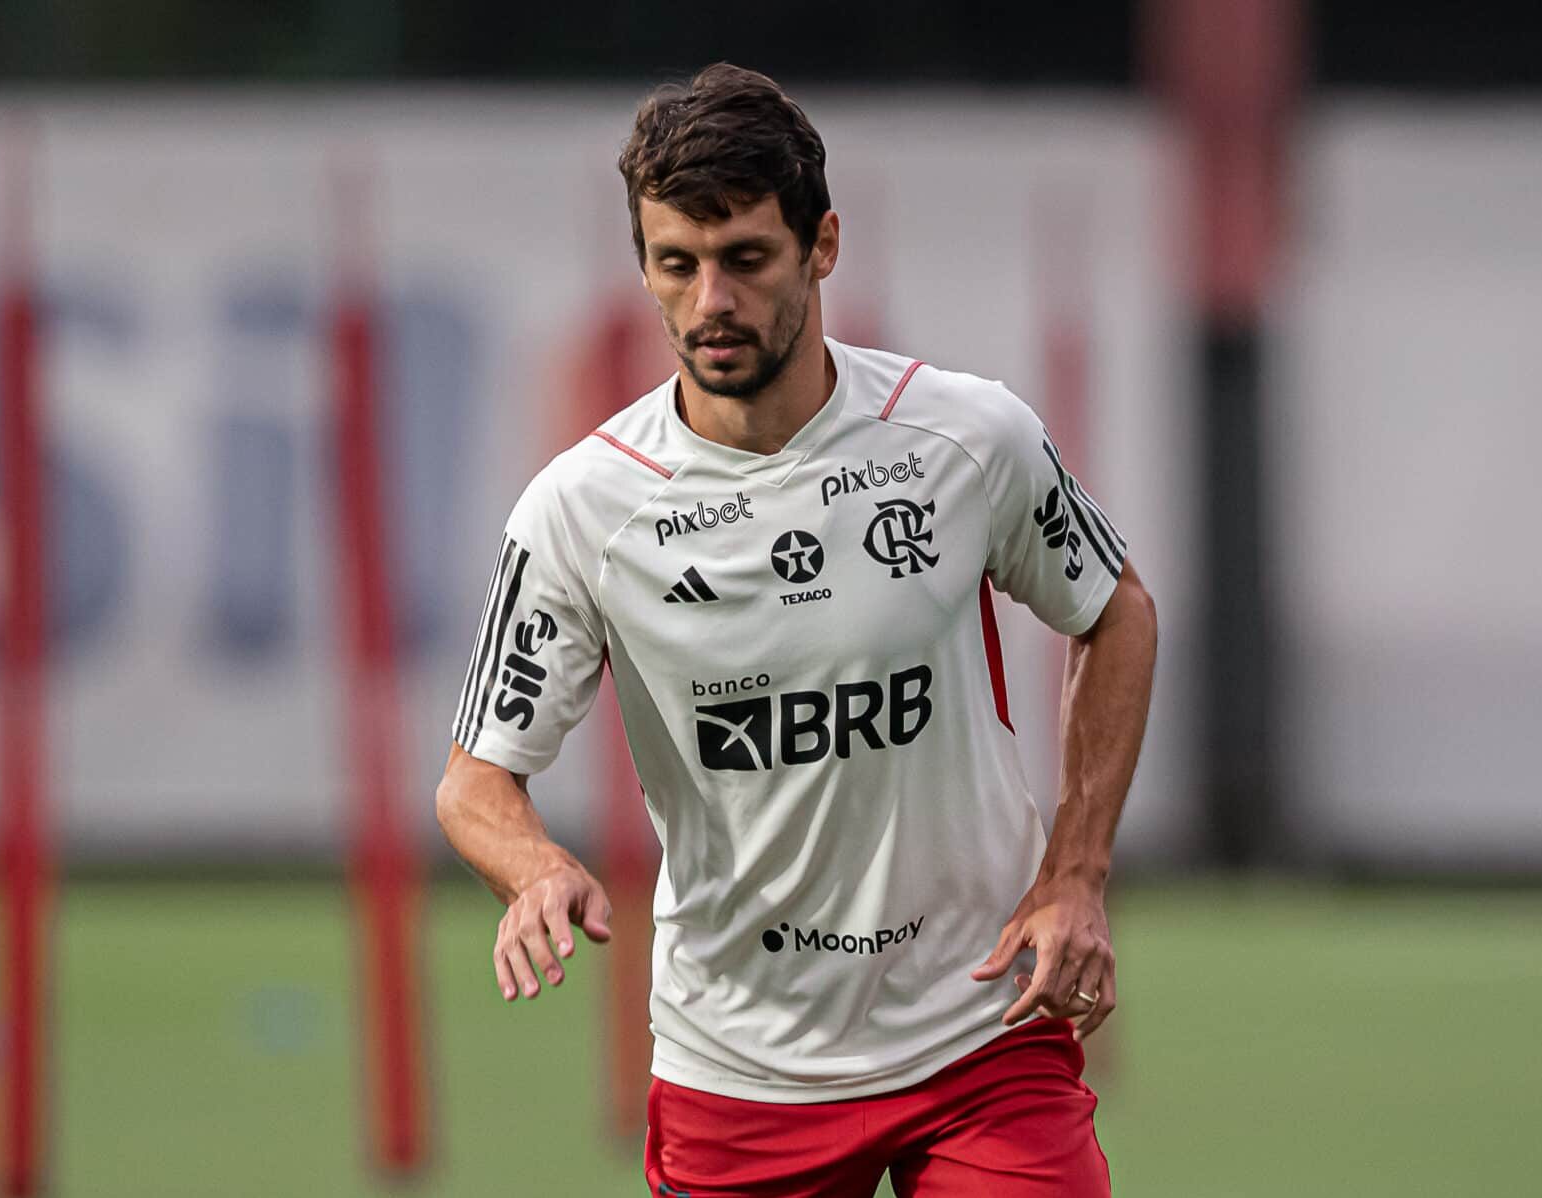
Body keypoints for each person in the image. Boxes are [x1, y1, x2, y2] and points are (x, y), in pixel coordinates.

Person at [436, 62, 1158, 1198]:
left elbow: (1115, 612)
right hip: (740, 1069)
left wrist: (1076, 872)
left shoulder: (964, 438)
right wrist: (532, 870)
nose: (710, 301)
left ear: (822, 246)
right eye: (677, 264)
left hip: (980, 1032)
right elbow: (474, 782)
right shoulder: (582, 507)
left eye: (745, 258)